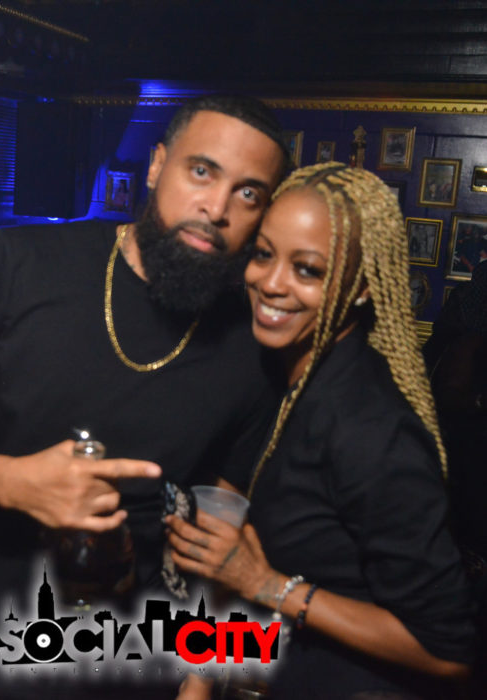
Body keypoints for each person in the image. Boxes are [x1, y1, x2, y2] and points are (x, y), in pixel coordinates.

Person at [0, 95, 289, 698]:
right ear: (157, 165)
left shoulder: (252, 347)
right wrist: (16, 483)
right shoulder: (20, 265)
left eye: (248, 193)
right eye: (202, 171)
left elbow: (216, 532)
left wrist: (201, 679)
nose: (217, 208)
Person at [167, 163, 476, 699]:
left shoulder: (370, 430)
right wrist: (200, 683)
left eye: (307, 270)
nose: (271, 283)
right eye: (264, 254)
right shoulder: (280, 377)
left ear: (362, 287)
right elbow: (237, 550)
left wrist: (269, 586)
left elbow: (449, 652)